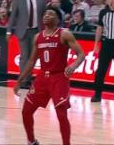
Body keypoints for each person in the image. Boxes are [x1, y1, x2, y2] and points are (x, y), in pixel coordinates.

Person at [14, 8, 85, 145]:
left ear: (57, 19)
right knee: (26, 111)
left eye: (50, 14)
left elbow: (81, 54)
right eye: (45, 13)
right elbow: (31, 61)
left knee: (61, 114)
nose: (46, 16)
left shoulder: (64, 34)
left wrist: (73, 66)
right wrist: (19, 80)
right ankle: (31, 141)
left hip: (59, 77)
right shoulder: (38, 37)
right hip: (42, 78)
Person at [7, 0, 46, 88]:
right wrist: (9, 31)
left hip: (36, 31)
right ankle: (24, 80)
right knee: (24, 56)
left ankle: (29, 78)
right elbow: (13, 16)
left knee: (33, 57)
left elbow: (44, 16)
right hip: (22, 31)